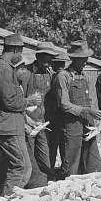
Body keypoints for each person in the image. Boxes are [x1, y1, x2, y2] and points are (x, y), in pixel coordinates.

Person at [0, 33, 37, 197]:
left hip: (5, 125)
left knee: (6, 166)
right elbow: (11, 102)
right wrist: (28, 101)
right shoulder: (4, 69)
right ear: (16, 49)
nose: (21, 55)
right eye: (20, 51)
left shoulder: (0, 67)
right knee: (23, 167)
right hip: (9, 126)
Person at [53, 40, 101, 178]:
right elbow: (64, 104)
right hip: (71, 125)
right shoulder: (63, 77)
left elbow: (91, 102)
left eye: (85, 59)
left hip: (88, 123)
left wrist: (97, 116)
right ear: (72, 59)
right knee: (71, 163)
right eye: (80, 59)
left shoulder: (86, 77)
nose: (84, 62)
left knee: (93, 162)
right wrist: (87, 111)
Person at [21, 41, 57, 187]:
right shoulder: (26, 74)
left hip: (44, 123)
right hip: (29, 123)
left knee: (45, 157)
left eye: (50, 61)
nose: (47, 64)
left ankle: (46, 183)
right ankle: (33, 186)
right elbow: (20, 99)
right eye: (45, 60)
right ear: (37, 56)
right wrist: (27, 120)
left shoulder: (52, 75)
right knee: (30, 157)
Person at [44, 48, 70, 180]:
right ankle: (49, 177)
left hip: (64, 120)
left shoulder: (65, 77)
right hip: (52, 120)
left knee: (66, 152)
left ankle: (64, 177)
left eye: (62, 64)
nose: (60, 67)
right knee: (51, 151)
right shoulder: (50, 77)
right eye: (57, 64)